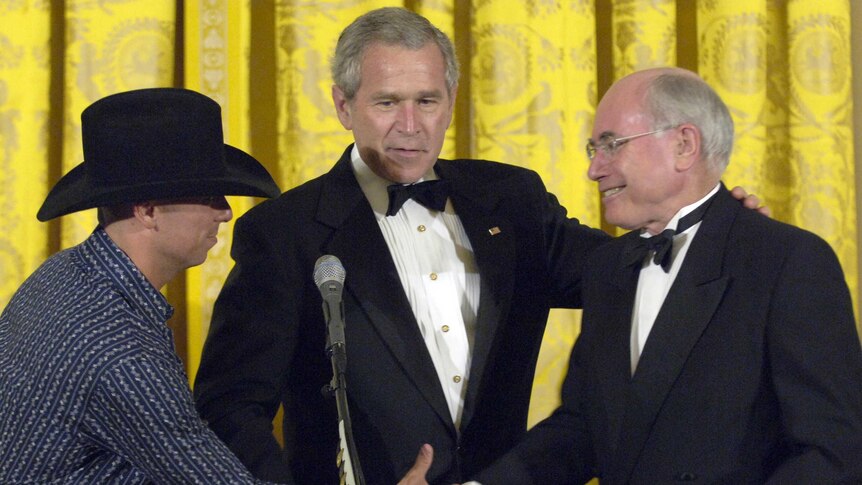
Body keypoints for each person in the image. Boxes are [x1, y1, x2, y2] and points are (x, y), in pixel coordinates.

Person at [192, 8, 765, 485]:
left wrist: (708, 232)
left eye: (428, 100)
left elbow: (623, 268)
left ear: (453, 98)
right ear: (344, 106)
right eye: (387, 103)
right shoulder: (284, 233)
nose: (411, 125)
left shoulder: (509, 199)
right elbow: (229, 407)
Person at [469, 67, 862, 484]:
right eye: (593, 149)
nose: (594, 169)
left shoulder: (787, 260)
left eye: (611, 144)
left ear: (684, 145)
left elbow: (833, 454)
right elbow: (580, 430)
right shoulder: (607, 270)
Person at [0, 88, 284, 483]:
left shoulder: (60, 274)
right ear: (148, 211)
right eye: (208, 195)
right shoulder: (123, 354)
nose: (225, 211)